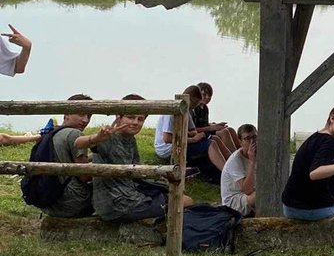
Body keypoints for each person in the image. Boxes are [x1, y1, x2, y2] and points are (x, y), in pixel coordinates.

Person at [91, 94, 194, 222]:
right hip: (118, 205)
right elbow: (83, 143)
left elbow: (138, 172)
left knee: (178, 195)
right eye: (130, 117)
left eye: (140, 119)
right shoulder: (107, 138)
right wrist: (95, 138)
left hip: (130, 196)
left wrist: (164, 180)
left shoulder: (130, 140)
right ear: (118, 116)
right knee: (185, 201)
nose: (135, 122)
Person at [281, 101, 334, 220]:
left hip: (289, 204)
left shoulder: (316, 136)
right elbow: (315, 173)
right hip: (306, 207)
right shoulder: (329, 141)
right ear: (332, 117)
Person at [43, 94, 119, 219]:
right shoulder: (75, 134)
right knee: (115, 186)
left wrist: (92, 157)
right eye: (81, 114)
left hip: (49, 203)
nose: (85, 120)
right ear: (66, 113)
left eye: (89, 116)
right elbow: (84, 176)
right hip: (72, 203)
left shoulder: (51, 132)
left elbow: (70, 161)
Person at [155, 85, 234, 177]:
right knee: (210, 144)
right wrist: (193, 140)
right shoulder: (172, 112)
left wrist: (190, 134)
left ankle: (234, 166)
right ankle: (229, 176)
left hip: (180, 141)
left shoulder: (186, 109)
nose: (193, 109)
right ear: (190, 99)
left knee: (215, 139)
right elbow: (167, 139)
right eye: (194, 105)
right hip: (166, 148)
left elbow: (193, 131)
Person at [220, 123, 257, 216]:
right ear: (240, 142)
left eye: (254, 137)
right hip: (234, 201)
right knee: (262, 194)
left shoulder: (259, 153)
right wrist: (252, 162)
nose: (252, 141)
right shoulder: (235, 160)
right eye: (247, 139)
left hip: (248, 194)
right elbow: (246, 190)